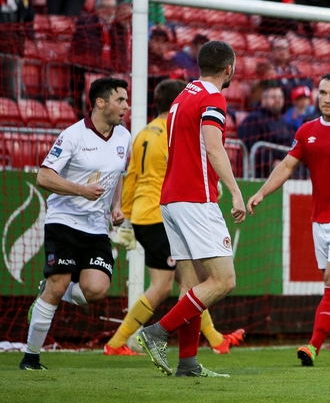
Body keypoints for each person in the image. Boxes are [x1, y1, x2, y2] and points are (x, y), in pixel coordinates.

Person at [247, 73, 330, 367]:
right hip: (319, 220)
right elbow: (286, 166)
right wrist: (261, 193)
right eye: (323, 93)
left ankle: (313, 345)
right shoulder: (306, 131)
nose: (327, 98)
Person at [105, 80, 245, 356]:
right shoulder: (172, 131)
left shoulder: (144, 133)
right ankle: (121, 341)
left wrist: (128, 213)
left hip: (149, 213)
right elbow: (186, 167)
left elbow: (130, 175)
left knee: (189, 283)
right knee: (170, 285)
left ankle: (211, 342)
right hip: (168, 212)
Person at [136, 41, 247, 378]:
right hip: (195, 199)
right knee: (223, 280)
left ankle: (187, 364)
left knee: (192, 285)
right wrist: (236, 192)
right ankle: (156, 331)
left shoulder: (182, 97)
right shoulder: (212, 98)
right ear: (229, 68)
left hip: (170, 200)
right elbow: (214, 148)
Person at [19, 77, 131, 371]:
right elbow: (44, 177)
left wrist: (116, 205)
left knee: (96, 290)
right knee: (59, 283)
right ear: (100, 103)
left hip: (96, 226)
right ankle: (31, 358)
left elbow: (117, 173)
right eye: (120, 100)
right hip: (64, 222)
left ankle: (50, 287)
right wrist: (81, 190)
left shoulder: (124, 137)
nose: (126, 106)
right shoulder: (73, 135)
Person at [70, 0, 128, 109]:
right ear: (97, 9)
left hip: (110, 73)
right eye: (105, 7)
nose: (109, 11)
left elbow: (121, 55)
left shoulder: (118, 29)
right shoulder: (86, 24)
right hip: (90, 72)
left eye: (112, 8)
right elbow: (89, 54)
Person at [238, 84, 296, 177]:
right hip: (260, 173)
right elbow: (249, 145)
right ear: (263, 100)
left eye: (280, 97)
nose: (277, 100)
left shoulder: (285, 124)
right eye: (273, 97)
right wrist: (272, 161)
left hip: (285, 171)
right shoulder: (253, 119)